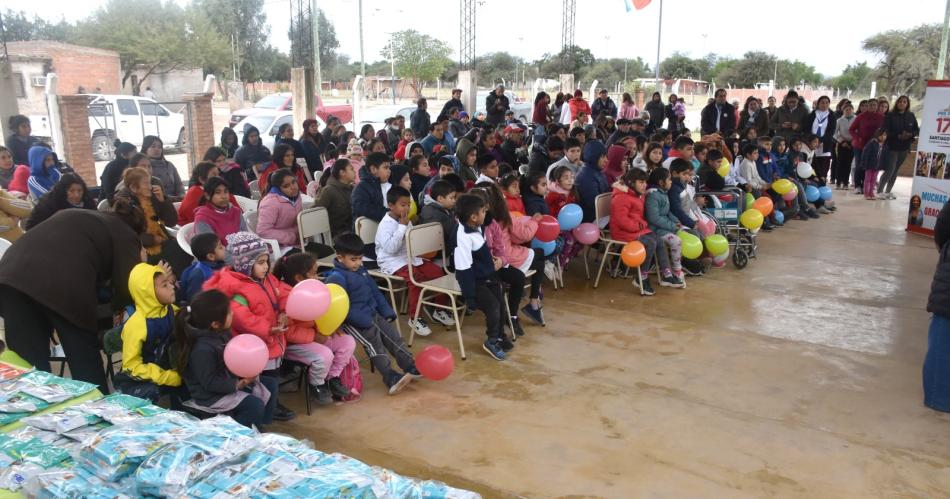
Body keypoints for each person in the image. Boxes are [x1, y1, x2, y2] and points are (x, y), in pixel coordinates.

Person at [0, 201, 145, 391]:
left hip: (10, 277)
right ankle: (98, 409)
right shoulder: (124, 233)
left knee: (30, 368)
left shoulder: (80, 215)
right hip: (62, 284)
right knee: (83, 356)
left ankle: (34, 414)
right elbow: (128, 285)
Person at [202, 231, 296, 421]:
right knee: (262, 379)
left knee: (273, 375)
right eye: (260, 263)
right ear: (245, 264)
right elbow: (243, 319)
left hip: (274, 339)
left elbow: (283, 293)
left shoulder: (267, 279)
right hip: (256, 344)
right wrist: (269, 329)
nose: (266, 266)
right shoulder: (237, 287)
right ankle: (267, 406)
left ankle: (271, 403)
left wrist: (285, 311)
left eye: (267, 261)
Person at [325, 233, 418, 394]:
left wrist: (386, 311)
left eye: (360, 259)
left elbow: (374, 292)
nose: (358, 263)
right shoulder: (336, 278)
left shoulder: (361, 271)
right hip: (355, 323)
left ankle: (410, 365)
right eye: (353, 259)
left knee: (394, 337)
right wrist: (363, 321)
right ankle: (390, 377)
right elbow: (339, 308)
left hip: (372, 314)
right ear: (340, 258)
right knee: (375, 347)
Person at [176, 289, 278, 428]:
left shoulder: (222, 333)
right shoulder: (202, 349)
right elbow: (209, 382)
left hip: (227, 380)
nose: (233, 313)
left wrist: (245, 371)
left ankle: (259, 425)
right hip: (209, 396)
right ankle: (237, 436)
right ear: (215, 324)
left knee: (270, 384)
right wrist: (237, 384)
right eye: (229, 312)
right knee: (253, 405)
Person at [273, 253, 356, 404]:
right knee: (324, 355)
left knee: (347, 342)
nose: (318, 278)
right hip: (294, 345)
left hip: (314, 336)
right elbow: (289, 332)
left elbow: (319, 314)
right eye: (314, 273)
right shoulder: (287, 298)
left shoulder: (311, 291)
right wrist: (314, 336)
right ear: (299, 278)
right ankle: (317, 384)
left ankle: (332, 378)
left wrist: (330, 325)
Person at [375, 186, 455, 336]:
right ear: (391, 205)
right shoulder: (385, 225)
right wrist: (402, 227)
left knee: (438, 272)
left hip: (410, 257)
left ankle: (439, 310)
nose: (407, 208)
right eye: (403, 205)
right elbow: (391, 249)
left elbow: (411, 240)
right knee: (415, 279)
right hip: (392, 261)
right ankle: (415, 318)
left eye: (408, 204)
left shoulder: (405, 220)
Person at [114, 261, 186, 407]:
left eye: (169, 283)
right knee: (153, 393)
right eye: (164, 285)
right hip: (141, 379)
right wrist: (166, 376)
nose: (172, 287)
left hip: (170, 373)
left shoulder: (171, 310)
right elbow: (131, 366)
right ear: (148, 292)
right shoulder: (137, 324)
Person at [476, 182, 545, 332]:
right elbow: (522, 236)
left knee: (538, 263)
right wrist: (533, 221)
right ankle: (518, 311)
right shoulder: (483, 223)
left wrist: (501, 259)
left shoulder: (496, 220)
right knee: (534, 262)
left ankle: (529, 303)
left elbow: (501, 245)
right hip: (493, 264)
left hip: (502, 259)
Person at [454, 193, 510, 360]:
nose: (486, 214)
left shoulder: (476, 226)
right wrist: (469, 296)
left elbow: (481, 252)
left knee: (500, 302)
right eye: (483, 211)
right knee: (492, 306)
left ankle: (499, 335)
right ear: (473, 217)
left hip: (486, 274)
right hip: (474, 281)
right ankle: (491, 341)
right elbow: (463, 270)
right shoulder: (463, 237)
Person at [610, 168, 663, 295]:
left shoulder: (637, 195)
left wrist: (641, 225)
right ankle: (642, 277)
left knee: (658, 239)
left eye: (645, 182)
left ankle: (665, 272)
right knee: (649, 242)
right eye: (641, 182)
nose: (645, 185)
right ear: (631, 182)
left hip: (635, 229)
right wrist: (640, 226)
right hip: (622, 232)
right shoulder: (621, 198)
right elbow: (622, 221)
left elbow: (638, 217)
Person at [116, 167, 177, 258]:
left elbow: (171, 222)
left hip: (162, 241)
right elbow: (128, 235)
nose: (150, 187)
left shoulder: (152, 197)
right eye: (146, 183)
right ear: (133, 188)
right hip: (140, 251)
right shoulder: (123, 205)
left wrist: (163, 201)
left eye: (150, 183)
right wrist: (153, 239)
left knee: (180, 250)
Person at [645, 168, 687, 288]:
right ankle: (677, 271)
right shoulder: (653, 196)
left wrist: (676, 221)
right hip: (654, 230)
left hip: (663, 228)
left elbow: (667, 212)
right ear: (660, 182)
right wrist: (672, 226)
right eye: (668, 179)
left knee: (682, 233)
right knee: (676, 241)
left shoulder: (663, 193)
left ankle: (674, 269)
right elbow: (654, 218)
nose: (671, 182)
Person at [880, 95, 919, 198]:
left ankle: (888, 191)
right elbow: (886, 130)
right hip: (892, 146)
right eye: (900, 101)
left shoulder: (911, 115)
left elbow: (916, 129)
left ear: (907, 104)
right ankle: (880, 191)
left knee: (896, 169)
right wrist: (898, 135)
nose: (902, 103)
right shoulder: (890, 115)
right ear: (897, 103)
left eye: (904, 102)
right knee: (890, 169)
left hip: (905, 147)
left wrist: (910, 135)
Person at [179, 160, 240, 225]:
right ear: (202, 180)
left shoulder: (220, 190)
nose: (218, 178)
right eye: (214, 175)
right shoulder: (194, 193)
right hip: (190, 229)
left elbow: (239, 212)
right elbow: (195, 219)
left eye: (218, 174)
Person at [25, 173, 95, 230]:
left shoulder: (88, 201)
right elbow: (30, 227)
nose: (76, 195)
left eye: (79, 190)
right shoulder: (49, 202)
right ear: (63, 191)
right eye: (71, 191)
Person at [257, 168, 303, 249]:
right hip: (278, 248)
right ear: (278, 188)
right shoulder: (270, 202)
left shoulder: (296, 196)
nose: (293, 187)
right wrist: (291, 237)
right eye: (286, 186)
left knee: (327, 251)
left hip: (298, 242)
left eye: (293, 182)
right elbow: (263, 231)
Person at [194, 177, 247, 245]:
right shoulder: (202, 218)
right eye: (218, 192)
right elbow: (212, 249)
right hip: (220, 254)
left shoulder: (236, 212)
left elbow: (246, 236)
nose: (223, 196)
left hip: (243, 252)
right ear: (207, 196)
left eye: (226, 191)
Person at [178, 232, 226, 303]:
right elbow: (194, 300)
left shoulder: (219, 263)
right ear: (211, 256)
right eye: (220, 247)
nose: (224, 248)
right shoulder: (198, 274)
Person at [849, 99, 884, 194]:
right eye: (870, 105)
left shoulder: (881, 117)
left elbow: (884, 131)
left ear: (877, 106)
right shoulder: (861, 117)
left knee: (870, 166)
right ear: (867, 106)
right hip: (860, 145)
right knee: (860, 164)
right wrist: (858, 137)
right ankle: (857, 186)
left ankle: (867, 186)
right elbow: (851, 129)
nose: (872, 107)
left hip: (874, 146)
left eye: (874, 105)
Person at [315, 158, 356, 238]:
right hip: (336, 235)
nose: (354, 172)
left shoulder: (352, 188)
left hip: (351, 230)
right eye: (351, 169)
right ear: (342, 173)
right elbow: (316, 213)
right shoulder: (328, 191)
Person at [419, 179, 459, 257]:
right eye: (451, 198)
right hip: (440, 251)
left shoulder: (440, 208)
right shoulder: (435, 214)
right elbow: (454, 232)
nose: (454, 201)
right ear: (440, 198)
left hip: (442, 247)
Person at [803, 96, 837, 182]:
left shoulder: (832, 115)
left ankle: (822, 181)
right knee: (813, 165)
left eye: (826, 103)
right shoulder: (812, 114)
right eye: (822, 102)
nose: (824, 105)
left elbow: (831, 131)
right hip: (811, 144)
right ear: (818, 104)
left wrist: (820, 141)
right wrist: (812, 141)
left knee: (823, 166)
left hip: (824, 144)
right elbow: (807, 128)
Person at [575, 140, 610, 223]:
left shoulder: (597, 171)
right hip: (594, 219)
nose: (606, 160)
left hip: (603, 215)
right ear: (593, 156)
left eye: (606, 156)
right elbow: (596, 205)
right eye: (602, 157)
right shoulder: (586, 177)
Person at [351, 152, 391, 223]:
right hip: (368, 230)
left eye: (389, 168)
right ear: (373, 169)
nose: (389, 171)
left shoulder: (389, 184)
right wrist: (389, 213)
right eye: (385, 168)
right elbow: (362, 208)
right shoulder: (361, 188)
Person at [141, 136, 184, 201]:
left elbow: (179, 184)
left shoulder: (169, 165)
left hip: (176, 200)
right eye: (153, 146)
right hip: (157, 201)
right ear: (145, 148)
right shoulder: (142, 167)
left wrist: (182, 196)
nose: (157, 149)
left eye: (160, 147)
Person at [833, 102, 856, 190]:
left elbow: (857, 131)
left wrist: (853, 141)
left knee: (848, 164)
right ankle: (838, 182)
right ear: (843, 111)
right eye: (846, 110)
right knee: (840, 163)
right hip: (842, 144)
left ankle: (845, 183)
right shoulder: (839, 120)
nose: (848, 111)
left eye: (850, 109)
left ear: (853, 110)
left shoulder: (856, 119)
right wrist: (841, 142)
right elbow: (834, 133)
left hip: (852, 144)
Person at [860, 128, 887, 200]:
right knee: (868, 179)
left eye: (885, 135)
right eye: (882, 135)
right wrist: (864, 163)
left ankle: (871, 192)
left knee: (874, 179)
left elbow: (883, 156)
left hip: (877, 166)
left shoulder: (884, 145)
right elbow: (866, 154)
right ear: (877, 135)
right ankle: (866, 193)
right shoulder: (871, 143)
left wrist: (882, 165)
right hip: (869, 165)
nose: (883, 137)